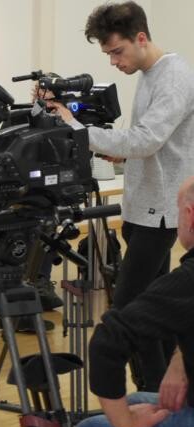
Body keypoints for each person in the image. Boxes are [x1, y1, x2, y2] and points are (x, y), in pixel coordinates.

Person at [49, 1, 194, 391]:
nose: (114, 62)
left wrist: (76, 129)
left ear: (141, 38)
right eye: (109, 54)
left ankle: (149, 394)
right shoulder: (150, 73)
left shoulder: (174, 77)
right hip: (144, 207)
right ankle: (161, 397)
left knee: (128, 314)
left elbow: (145, 140)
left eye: (117, 51)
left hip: (159, 213)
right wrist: (119, 151)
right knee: (154, 313)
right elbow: (152, 143)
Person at [73, 175, 194, 427]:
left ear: (190, 216)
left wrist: (124, 421)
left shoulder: (187, 281)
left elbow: (108, 341)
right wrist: (179, 362)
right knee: (139, 401)